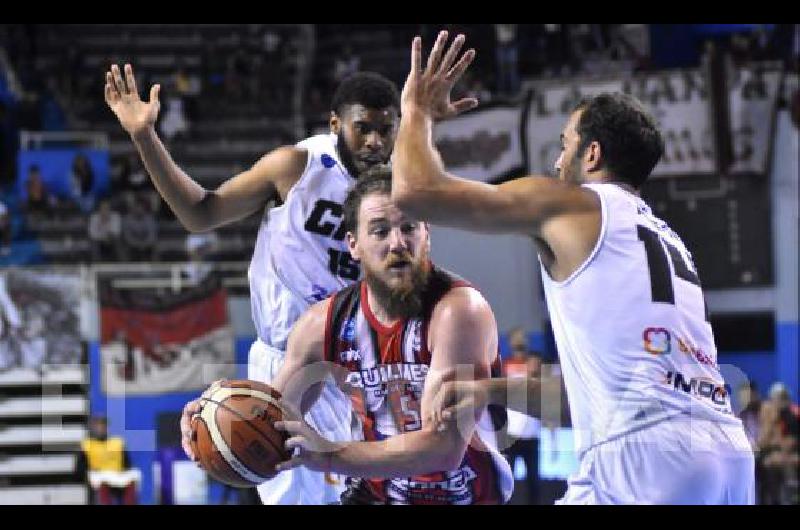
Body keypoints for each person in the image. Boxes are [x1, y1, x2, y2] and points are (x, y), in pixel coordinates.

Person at [391, 31, 755, 504]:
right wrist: (490, 389)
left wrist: (415, 113)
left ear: (593, 153)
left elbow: (414, 192)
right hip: (726, 455)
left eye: (564, 145)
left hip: (643, 456)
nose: (558, 160)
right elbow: (585, 403)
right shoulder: (668, 242)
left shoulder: (571, 204)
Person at [105, 62, 474, 505]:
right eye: (362, 129)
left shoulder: (403, 186)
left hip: (358, 367)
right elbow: (199, 213)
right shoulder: (295, 167)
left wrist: (424, 127)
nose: (375, 141)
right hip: (286, 362)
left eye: (386, 129)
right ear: (336, 124)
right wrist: (144, 136)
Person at [255, 167, 512, 504]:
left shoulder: (459, 311)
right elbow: (271, 417)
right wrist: (214, 418)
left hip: (462, 496)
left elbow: (443, 449)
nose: (398, 243)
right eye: (379, 231)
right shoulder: (322, 323)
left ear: (426, 234)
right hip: (375, 494)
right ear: (354, 245)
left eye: (408, 228)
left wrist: (330, 456)